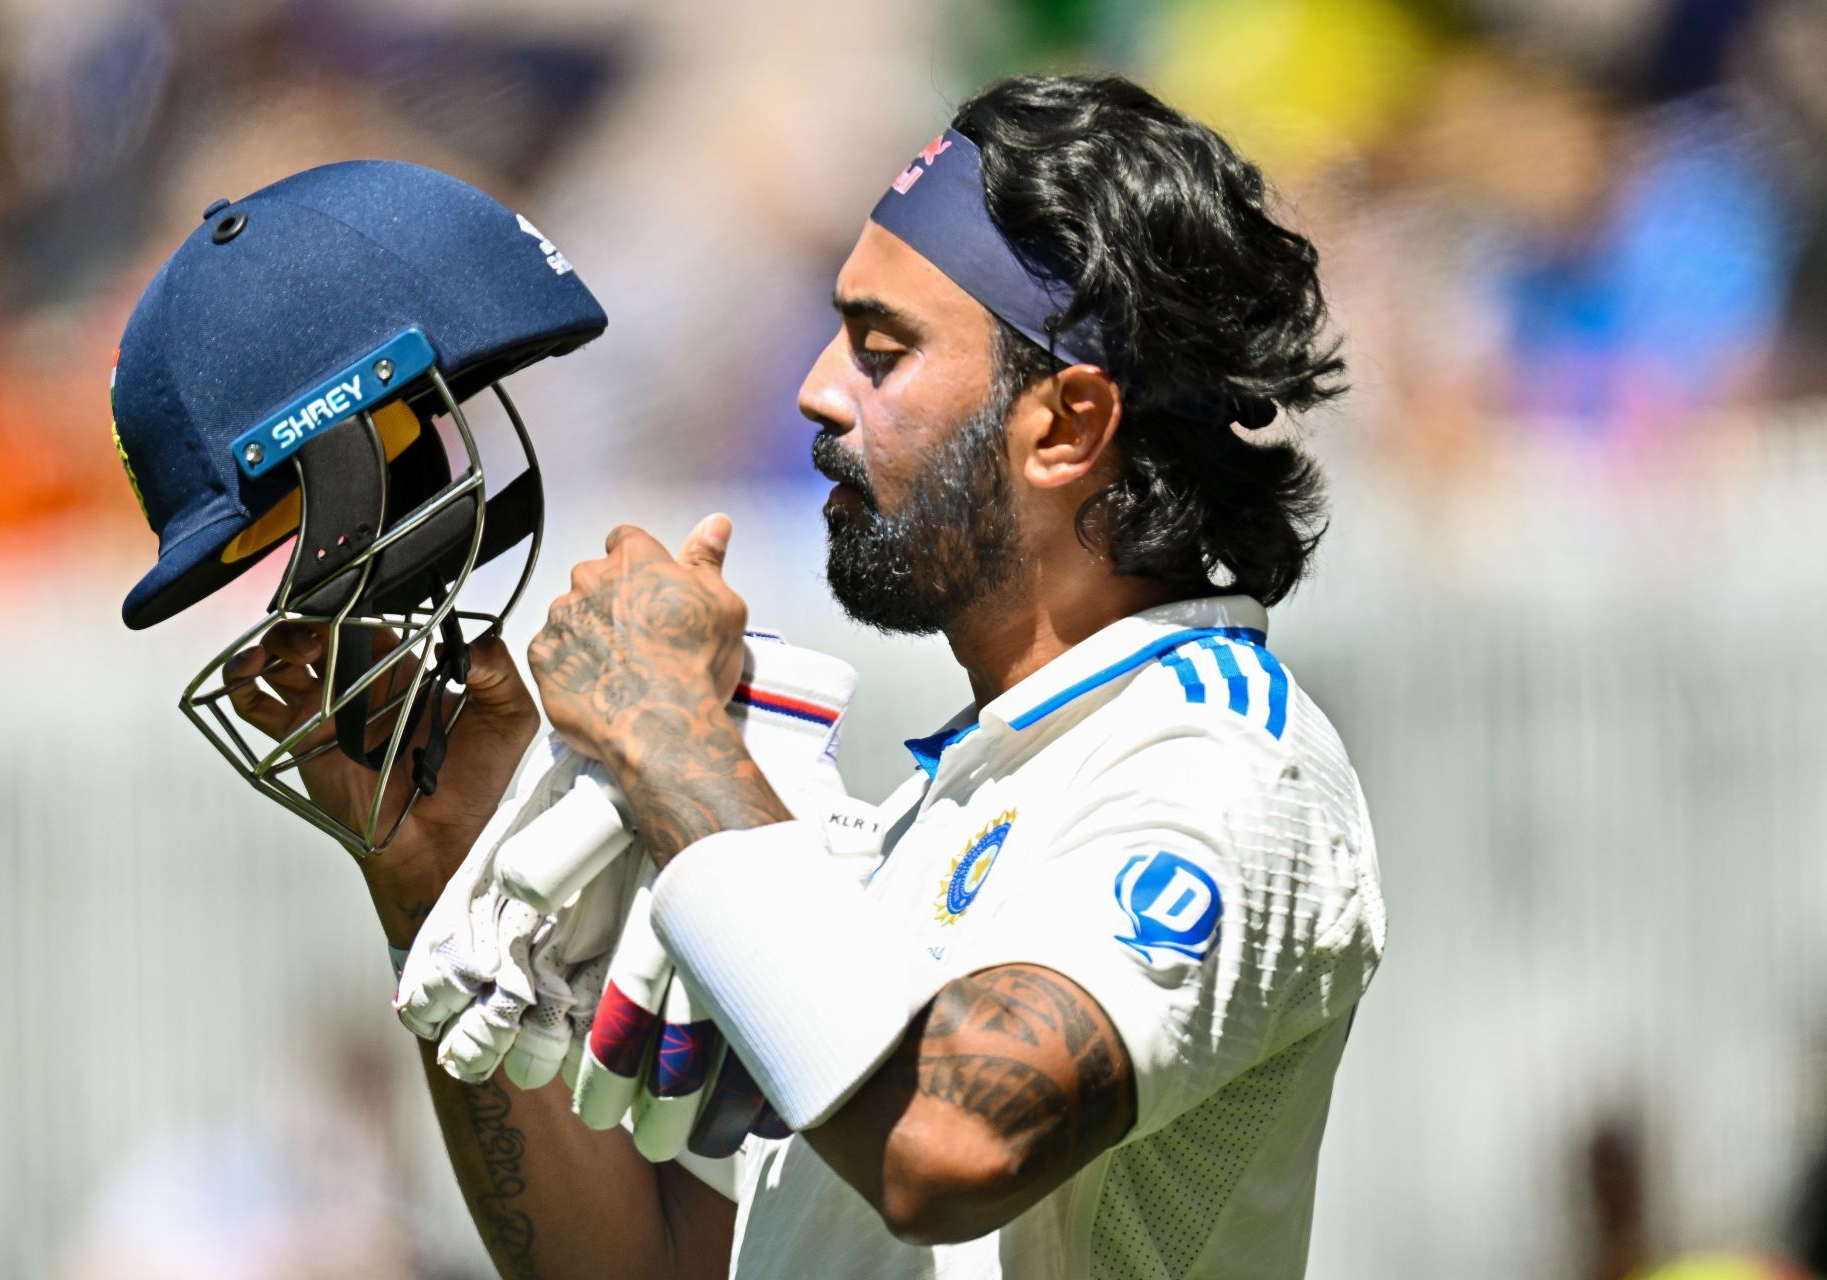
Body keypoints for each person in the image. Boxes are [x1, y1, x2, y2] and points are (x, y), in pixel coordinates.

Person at [233, 73, 1385, 1279]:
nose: (817, 389)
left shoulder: (1225, 763)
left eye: (881, 352)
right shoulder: (933, 813)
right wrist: (435, 852)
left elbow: (949, 1144)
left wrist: (667, 734)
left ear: (1067, 424)